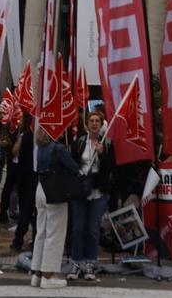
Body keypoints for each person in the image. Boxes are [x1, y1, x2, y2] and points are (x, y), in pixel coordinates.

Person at [31, 126, 79, 289]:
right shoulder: (58, 148)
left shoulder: (40, 148)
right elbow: (73, 167)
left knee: (41, 232)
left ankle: (37, 273)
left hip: (41, 188)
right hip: (55, 190)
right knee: (55, 233)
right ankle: (48, 275)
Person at [68, 111, 113, 281]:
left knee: (93, 229)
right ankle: (76, 262)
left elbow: (111, 168)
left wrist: (103, 155)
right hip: (80, 191)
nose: (94, 124)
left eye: (97, 121)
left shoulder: (107, 143)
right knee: (78, 228)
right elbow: (72, 163)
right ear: (86, 124)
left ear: (102, 124)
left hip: (98, 192)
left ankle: (90, 263)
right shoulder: (79, 142)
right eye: (91, 121)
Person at [10, 114, 37, 252]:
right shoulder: (36, 137)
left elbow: (14, 152)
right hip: (33, 180)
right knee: (35, 214)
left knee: (25, 213)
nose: (19, 122)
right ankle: (34, 242)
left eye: (21, 120)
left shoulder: (25, 136)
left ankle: (17, 241)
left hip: (27, 181)